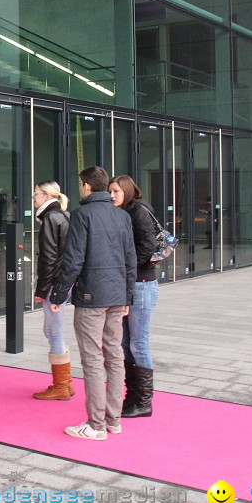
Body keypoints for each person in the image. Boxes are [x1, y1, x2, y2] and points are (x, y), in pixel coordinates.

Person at [49, 166, 136, 441]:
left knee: (94, 360)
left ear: (87, 187)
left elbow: (73, 259)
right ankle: (113, 419)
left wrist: (59, 294)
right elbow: (130, 259)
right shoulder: (122, 215)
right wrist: (127, 296)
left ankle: (96, 425)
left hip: (91, 296)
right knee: (114, 355)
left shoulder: (82, 214)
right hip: (116, 294)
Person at [109, 175, 159, 417]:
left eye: (116, 191)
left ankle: (144, 401)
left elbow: (147, 245)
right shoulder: (123, 212)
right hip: (130, 283)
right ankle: (134, 397)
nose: (112, 195)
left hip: (142, 283)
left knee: (139, 343)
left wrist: (127, 267)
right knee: (125, 343)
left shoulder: (138, 211)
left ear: (127, 191)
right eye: (110, 191)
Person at [31, 181, 72, 401]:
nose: (33, 198)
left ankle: (62, 385)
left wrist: (41, 289)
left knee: (53, 331)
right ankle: (66, 382)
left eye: (36, 194)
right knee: (53, 330)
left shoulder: (50, 218)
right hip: (62, 280)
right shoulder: (63, 215)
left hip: (55, 282)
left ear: (47, 195)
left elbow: (48, 258)